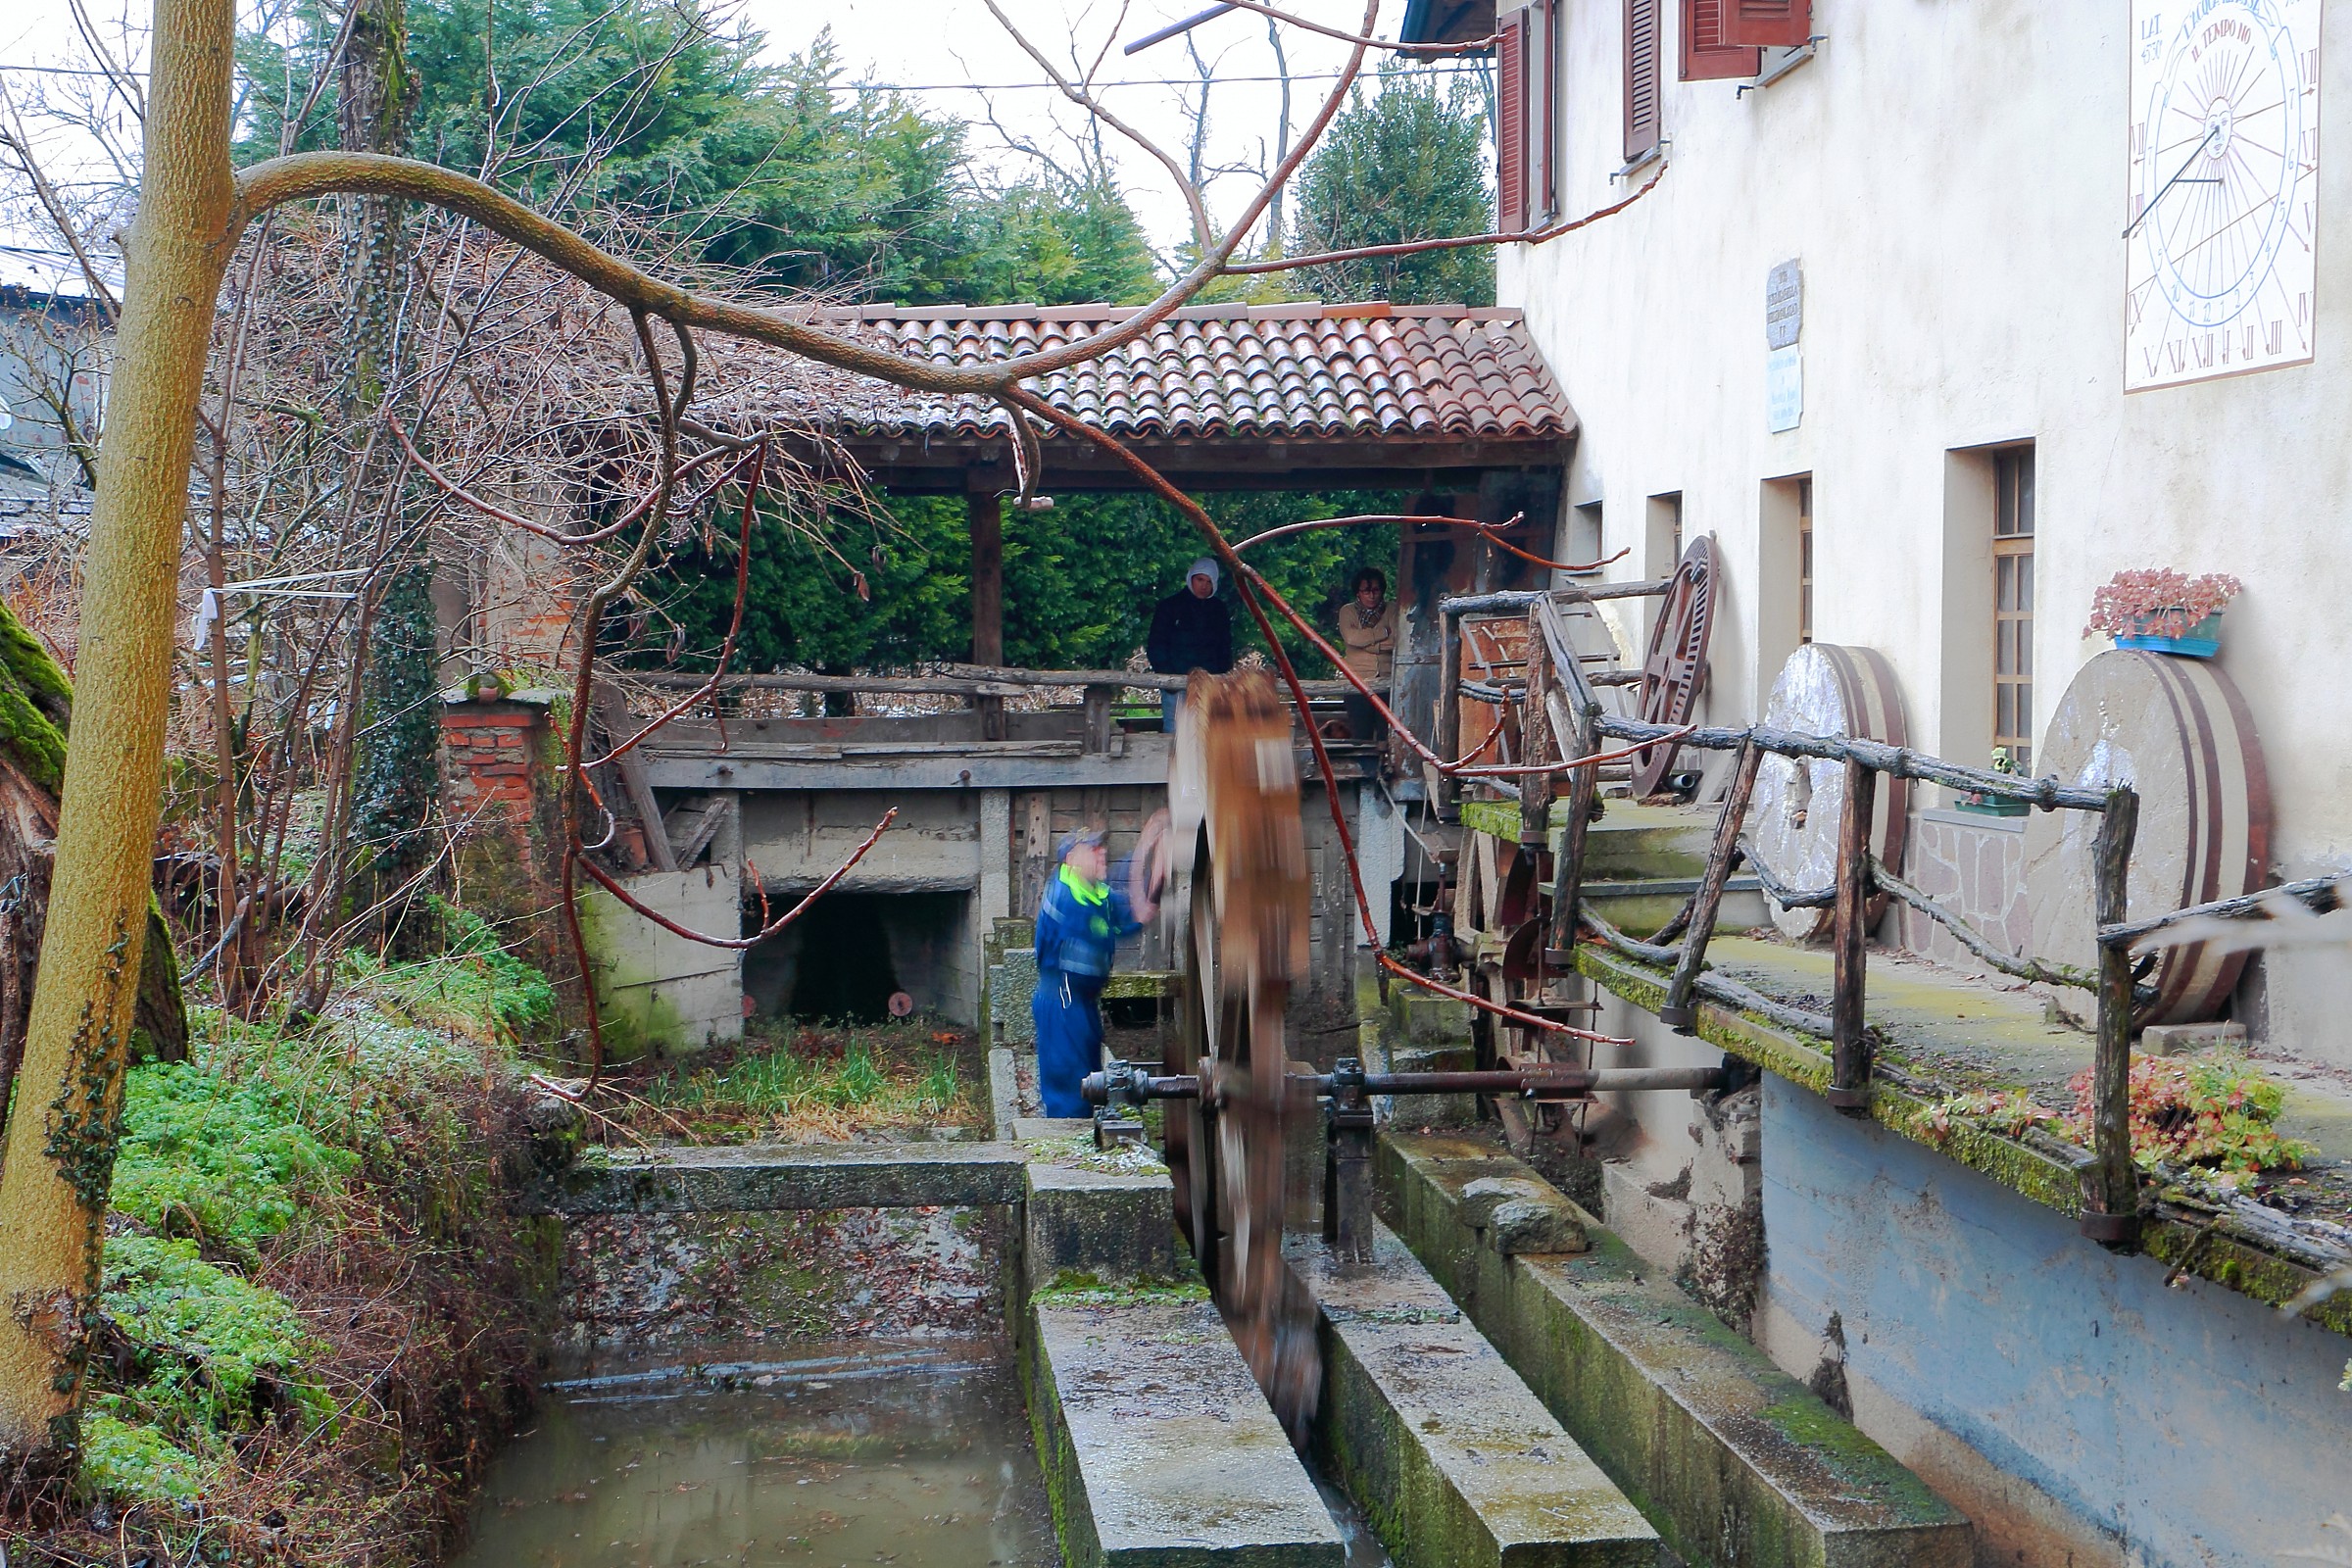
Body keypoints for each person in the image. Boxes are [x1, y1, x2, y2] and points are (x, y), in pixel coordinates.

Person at [1030, 823, 1161, 1117]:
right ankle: (1066, 1149)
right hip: (1062, 1001)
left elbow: (1133, 912)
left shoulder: (1094, 893)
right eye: (1092, 849)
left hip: (1083, 1001)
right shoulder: (1064, 898)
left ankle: (1085, 1134)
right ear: (1071, 860)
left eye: (1101, 847)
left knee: (1091, 1083)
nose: (1101, 853)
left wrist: (1153, 865)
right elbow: (1125, 911)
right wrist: (1145, 856)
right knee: (1072, 1091)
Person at [1146, 557, 1233, 731]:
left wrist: (1221, 675)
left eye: (1209, 582)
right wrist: (1168, 677)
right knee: (1176, 733)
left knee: (1209, 733)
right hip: (1176, 684)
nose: (1203, 586)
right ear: (1191, 577)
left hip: (1210, 684)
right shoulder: (1169, 607)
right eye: (1200, 579)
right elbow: (1157, 644)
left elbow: (1224, 646)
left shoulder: (1218, 610)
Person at [1335, 566, 1396, 741]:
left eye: (1376, 590)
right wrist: (1382, 633)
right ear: (1358, 593)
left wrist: (1368, 645)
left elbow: (1397, 640)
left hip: (1387, 680)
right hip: (1356, 680)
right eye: (1366, 591)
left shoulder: (1392, 609)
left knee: (1388, 733)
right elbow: (1352, 638)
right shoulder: (1347, 612)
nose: (1372, 595)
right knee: (1361, 734)